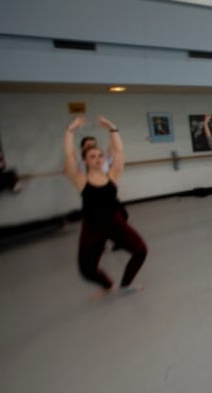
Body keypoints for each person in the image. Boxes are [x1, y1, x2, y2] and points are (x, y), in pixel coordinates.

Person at [63, 115, 148, 299]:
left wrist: (113, 128)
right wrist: (70, 130)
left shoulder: (112, 176)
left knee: (140, 250)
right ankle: (108, 285)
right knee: (86, 269)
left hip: (114, 222)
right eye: (92, 156)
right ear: (85, 160)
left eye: (100, 155)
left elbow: (119, 150)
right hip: (92, 227)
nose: (98, 158)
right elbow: (69, 156)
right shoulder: (81, 181)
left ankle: (125, 285)